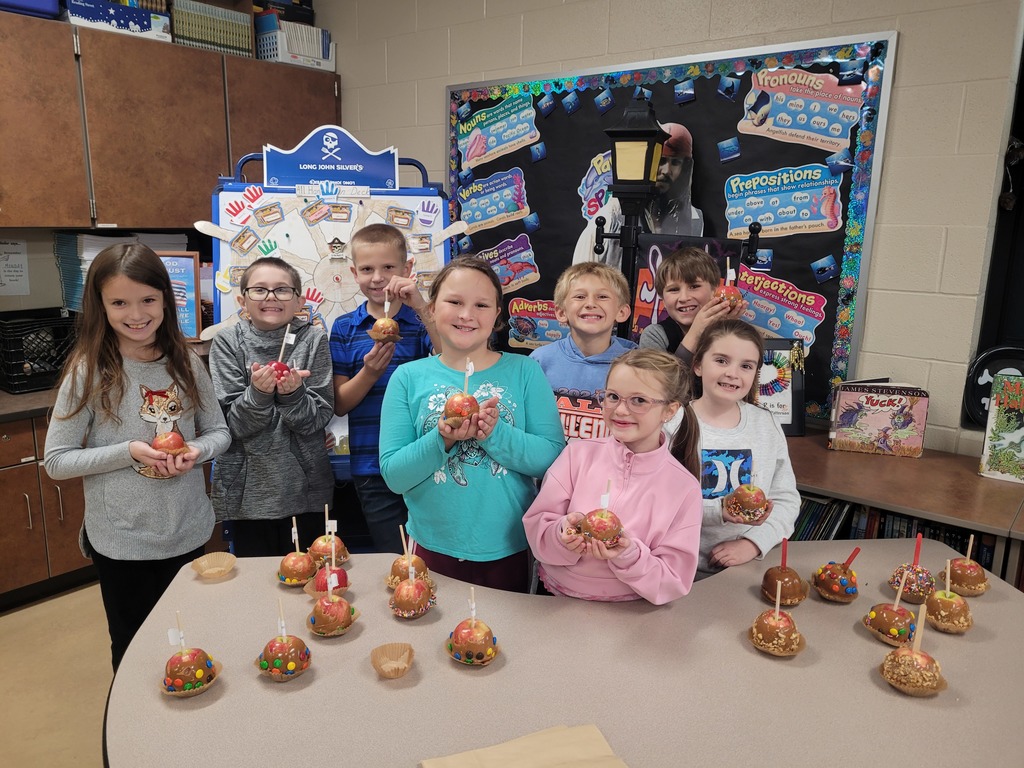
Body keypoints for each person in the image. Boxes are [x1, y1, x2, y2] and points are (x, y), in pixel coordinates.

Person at [43, 244, 231, 671]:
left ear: (166, 298)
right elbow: (56, 460)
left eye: (147, 299)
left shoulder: (185, 361)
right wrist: (128, 451)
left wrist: (195, 450)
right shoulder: (89, 370)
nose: (136, 314)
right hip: (122, 541)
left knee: (190, 642)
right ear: (100, 305)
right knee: (134, 653)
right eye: (119, 303)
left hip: (186, 529)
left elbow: (219, 433)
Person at [379, 256, 565, 592]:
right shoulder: (407, 378)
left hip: (509, 546)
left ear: (497, 316)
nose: (467, 314)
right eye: (454, 302)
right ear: (432, 309)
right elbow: (394, 475)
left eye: (481, 305)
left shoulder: (525, 371)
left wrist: (495, 434)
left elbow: (551, 458)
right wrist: (442, 440)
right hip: (431, 546)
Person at [522, 349, 703, 604]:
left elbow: (673, 581)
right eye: (613, 397)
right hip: (555, 599)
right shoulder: (576, 455)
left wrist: (629, 556)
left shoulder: (684, 488)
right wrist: (562, 535)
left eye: (638, 400)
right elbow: (537, 527)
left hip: (631, 610)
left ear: (669, 410)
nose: (620, 410)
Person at [209, 256, 334, 557]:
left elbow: (316, 420)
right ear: (242, 300)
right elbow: (231, 426)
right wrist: (258, 394)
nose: (271, 297)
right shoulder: (227, 341)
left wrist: (293, 396)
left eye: (282, 289)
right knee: (256, 577)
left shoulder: (313, 339)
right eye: (259, 289)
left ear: (299, 301)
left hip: (306, 489)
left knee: (309, 572)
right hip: (245, 492)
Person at [329, 223, 437, 553]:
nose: (377, 278)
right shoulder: (345, 328)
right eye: (367, 269)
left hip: (422, 459)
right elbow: (340, 403)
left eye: (388, 267)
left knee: (431, 553)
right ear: (354, 273)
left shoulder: (421, 322)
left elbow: (451, 358)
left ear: (407, 269)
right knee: (396, 555)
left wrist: (421, 306)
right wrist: (370, 372)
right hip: (371, 465)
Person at [687, 319, 799, 579]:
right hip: (679, 568)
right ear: (698, 365)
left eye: (746, 366)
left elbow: (786, 498)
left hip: (744, 568)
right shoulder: (673, 424)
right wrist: (719, 511)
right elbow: (658, 503)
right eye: (721, 360)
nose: (733, 373)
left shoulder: (766, 423)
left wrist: (753, 543)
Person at [573, 122, 705, 271]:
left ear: (685, 167)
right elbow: (579, 276)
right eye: (661, 160)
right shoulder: (613, 214)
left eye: (675, 162)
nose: (666, 171)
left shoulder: (694, 219)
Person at [529, 262, 636, 440]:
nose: (590, 304)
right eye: (580, 296)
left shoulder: (637, 366)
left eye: (602, 296)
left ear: (622, 312)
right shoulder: (540, 361)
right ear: (561, 312)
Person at [638, 246, 746, 367]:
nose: (684, 298)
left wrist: (725, 332)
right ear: (662, 299)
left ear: (714, 291)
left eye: (694, 286)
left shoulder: (736, 332)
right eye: (674, 289)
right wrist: (695, 333)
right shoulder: (655, 336)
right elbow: (660, 379)